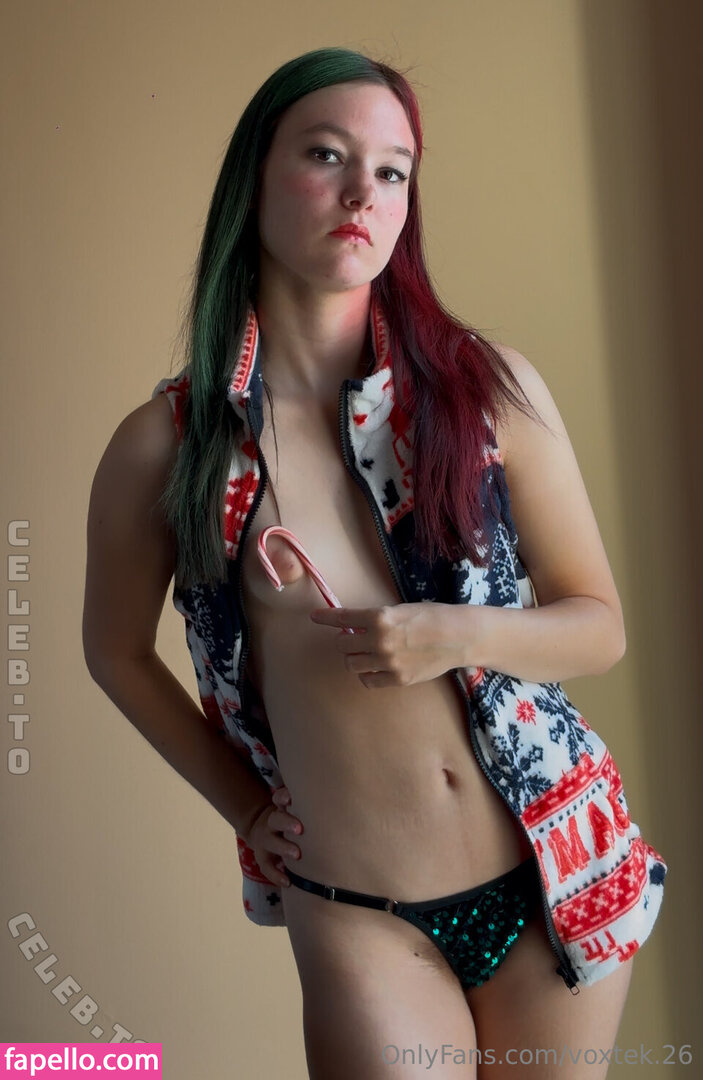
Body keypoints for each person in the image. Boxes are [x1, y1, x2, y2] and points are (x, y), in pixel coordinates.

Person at [83, 47, 667, 1079]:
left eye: (392, 170)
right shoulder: (168, 447)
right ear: (254, 181)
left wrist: (456, 634)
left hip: (554, 873)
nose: (364, 192)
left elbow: (599, 625)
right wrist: (245, 807)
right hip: (361, 913)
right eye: (326, 155)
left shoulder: (487, 391)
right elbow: (114, 652)